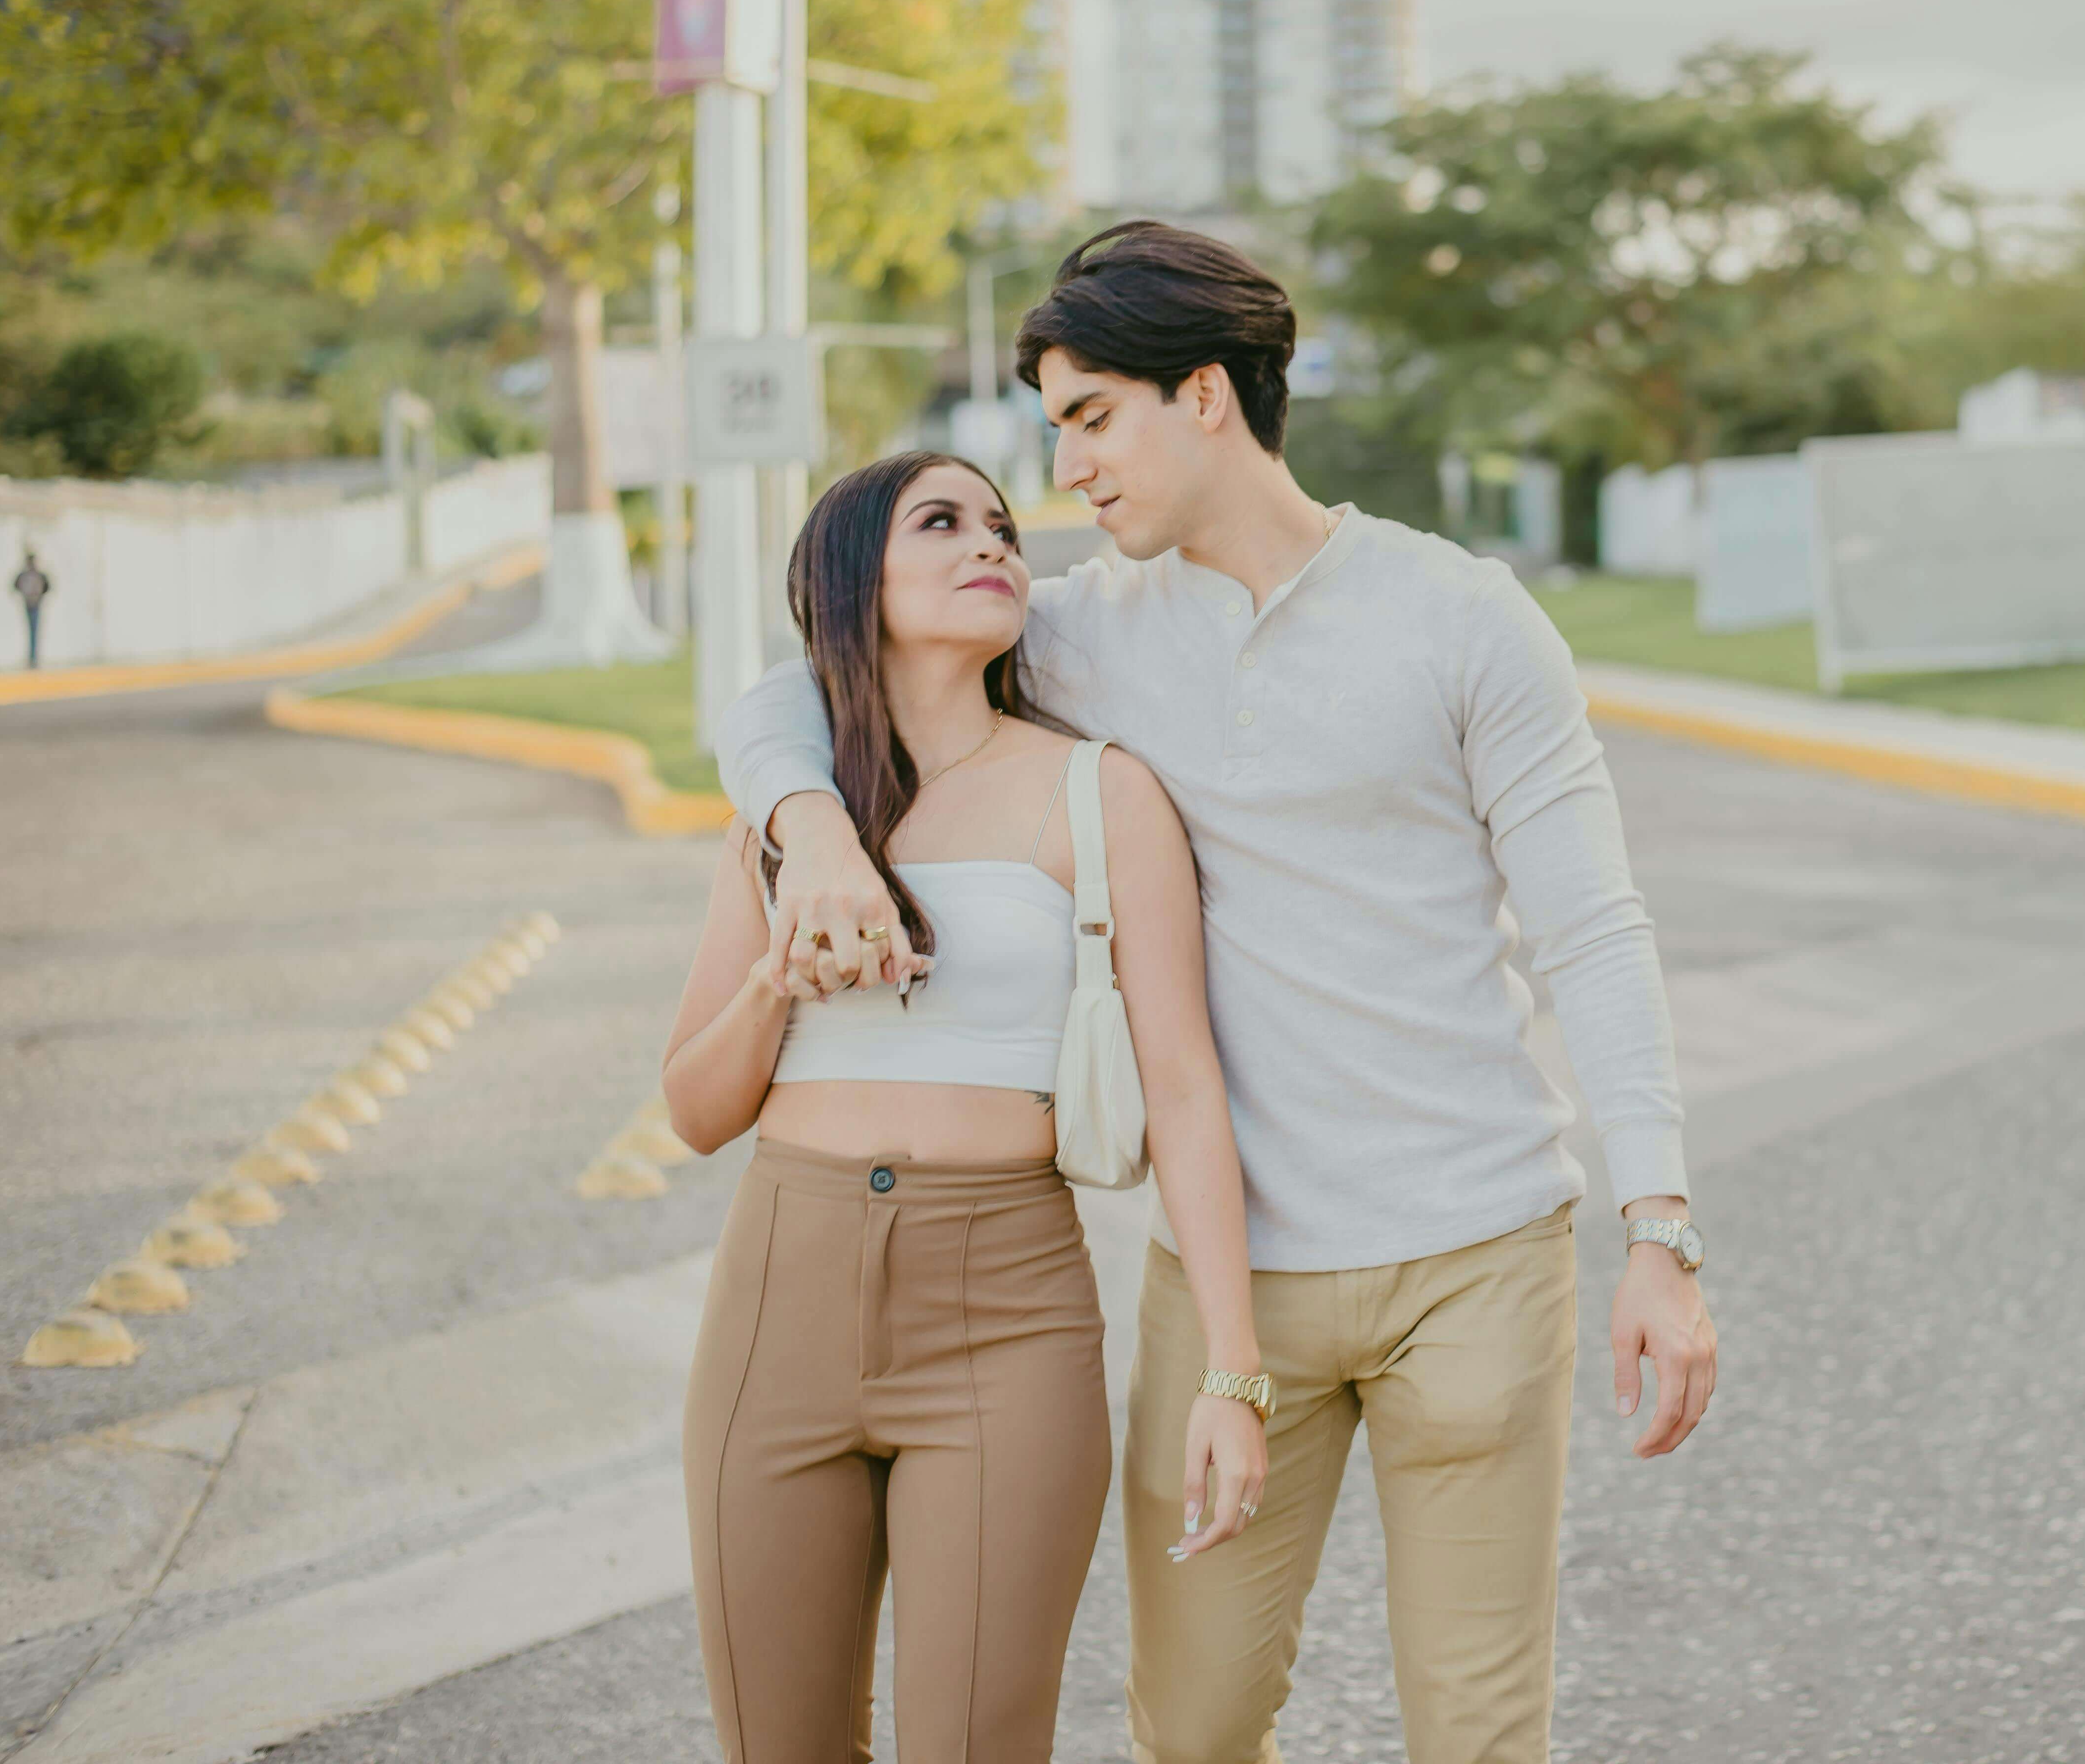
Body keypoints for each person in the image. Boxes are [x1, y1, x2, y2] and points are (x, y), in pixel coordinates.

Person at [717, 221, 1718, 1764]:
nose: (1068, 471)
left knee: (1479, 1730)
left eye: (1090, 418)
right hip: (1228, 1273)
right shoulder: (1080, 636)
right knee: (1193, 1730)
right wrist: (815, 827)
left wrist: (1659, 1231)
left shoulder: (1463, 617)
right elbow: (806, 677)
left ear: (1203, 395)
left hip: (1479, 1250)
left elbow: (1593, 929)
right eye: (1055, 430)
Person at [663, 449, 1268, 1764]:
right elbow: (695, 1112)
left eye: (999, 524)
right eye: (940, 522)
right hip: (777, 1305)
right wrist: (778, 976)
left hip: (1006, 1314)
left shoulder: (1098, 792)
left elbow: (1183, 1088)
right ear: (852, 580)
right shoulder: (783, 820)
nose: (992, 542)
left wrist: (1234, 1370)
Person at [13, 549, 47, 670]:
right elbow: (15, 585)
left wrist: (39, 597)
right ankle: (31, 658)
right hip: (28, 605)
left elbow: (47, 586)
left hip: (36, 605)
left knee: (35, 631)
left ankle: (34, 658)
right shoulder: (25, 575)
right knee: (31, 631)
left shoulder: (38, 575)